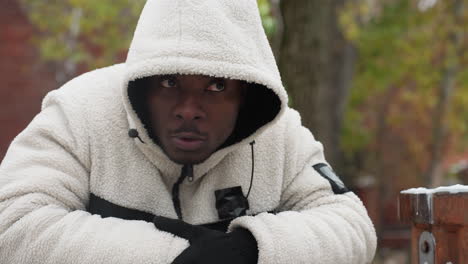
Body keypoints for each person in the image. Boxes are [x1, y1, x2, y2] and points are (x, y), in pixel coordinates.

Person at [0, 0, 377, 263]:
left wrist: (250, 249)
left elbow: (351, 226)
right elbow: (12, 223)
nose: (188, 110)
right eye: (169, 82)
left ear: (245, 91)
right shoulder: (81, 113)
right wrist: (173, 256)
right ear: (142, 84)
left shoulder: (278, 135)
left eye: (215, 87)